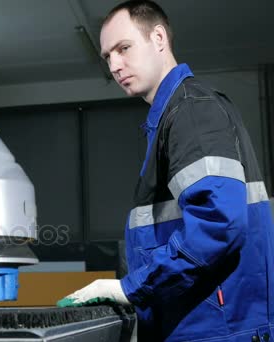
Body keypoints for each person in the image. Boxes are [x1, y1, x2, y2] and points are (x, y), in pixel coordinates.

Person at [58, 1, 274, 341]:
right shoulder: (171, 117)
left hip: (216, 329)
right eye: (107, 57)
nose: (114, 65)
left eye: (123, 48)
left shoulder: (190, 111)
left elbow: (219, 224)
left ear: (158, 38)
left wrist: (132, 288)